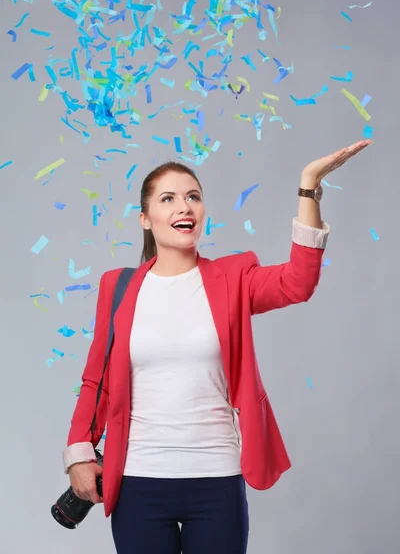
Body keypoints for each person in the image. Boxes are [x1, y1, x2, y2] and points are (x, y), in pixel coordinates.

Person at [63, 139, 372, 554]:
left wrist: (308, 186)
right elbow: (95, 379)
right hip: (137, 479)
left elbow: (299, 282)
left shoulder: (233, 278)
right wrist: (79, 454)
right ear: (144, 217)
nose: (184, 207)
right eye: (168, 198)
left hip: (216, 478)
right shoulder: (117, 286)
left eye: (193, 197)